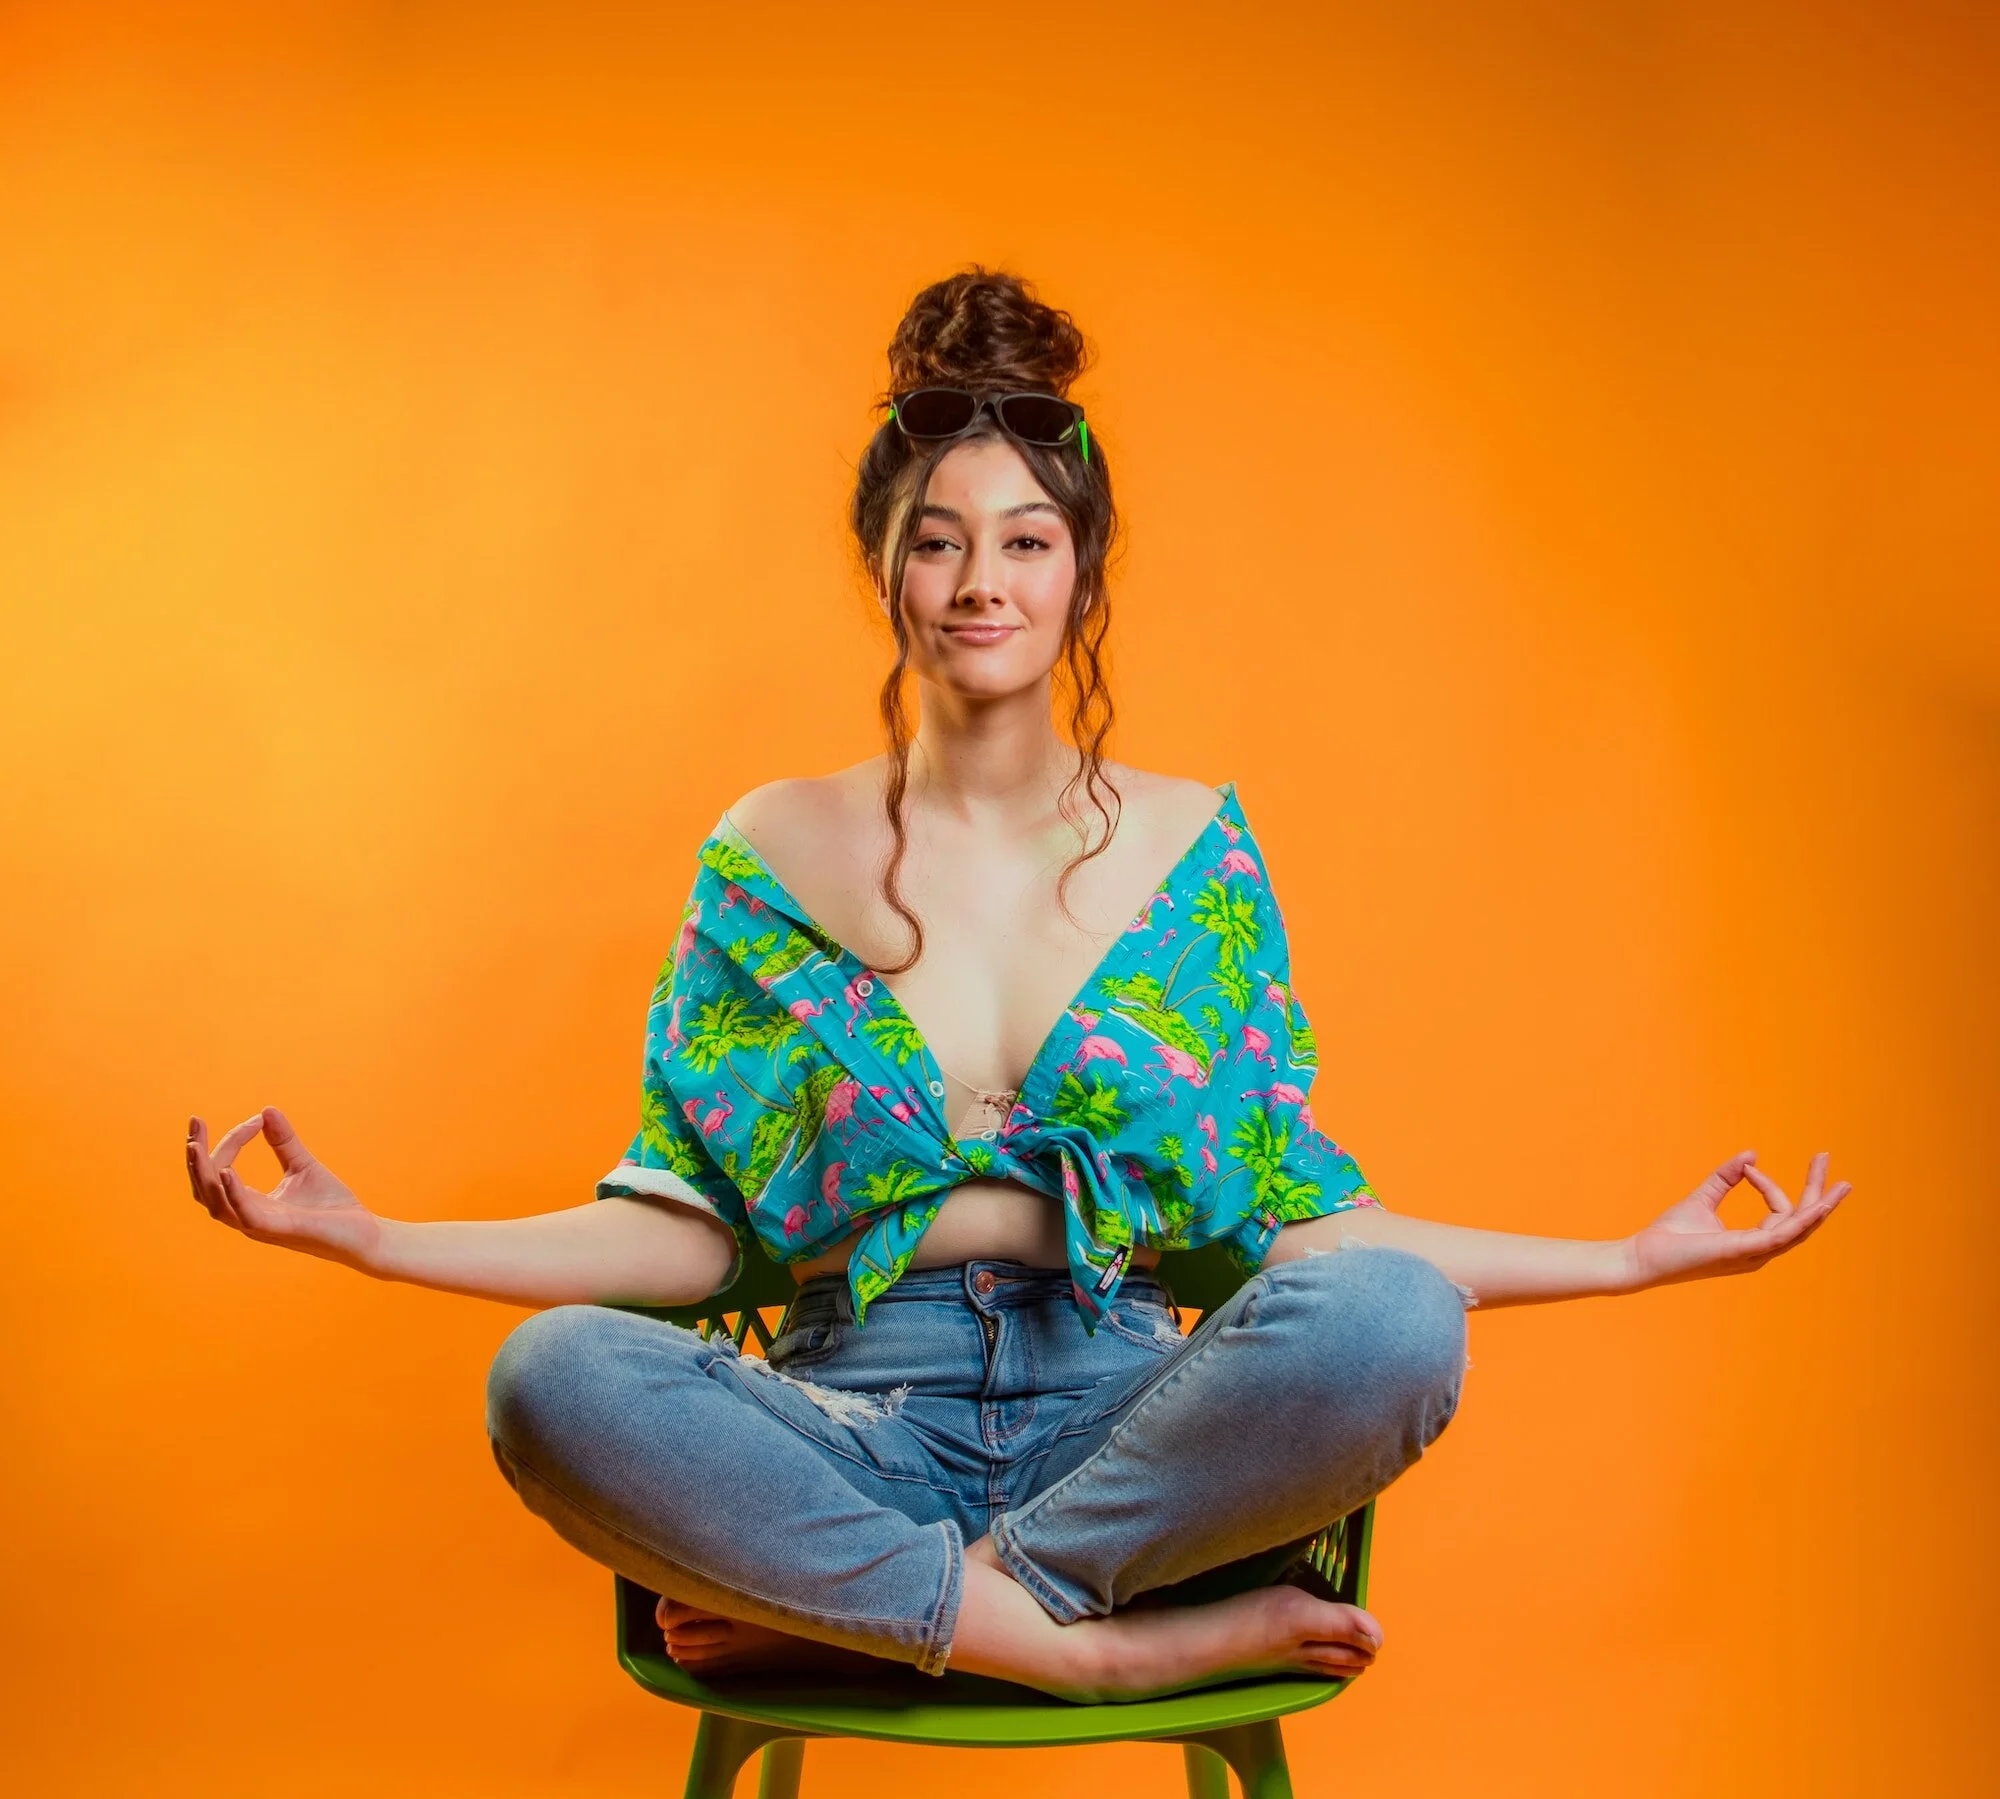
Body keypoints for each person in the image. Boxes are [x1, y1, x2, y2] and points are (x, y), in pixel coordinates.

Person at [185, 268, 1848, 1704]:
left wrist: (1629, 1262)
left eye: (1027, 540)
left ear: (1081, 572)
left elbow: (1297, 1229)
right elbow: (687, 1232)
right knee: (552, 1380)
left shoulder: (1196, 855)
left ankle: (917, 1613)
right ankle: (1093, 1649)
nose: (982, 581)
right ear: (886, 570)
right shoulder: (768, 853)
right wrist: (373, 1237)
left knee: (1393, 1320)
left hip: (1135, 1426)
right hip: (854, 1429)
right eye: (939, 542)